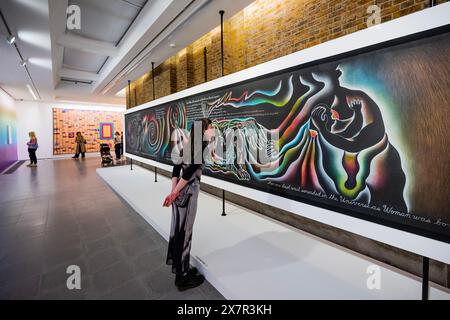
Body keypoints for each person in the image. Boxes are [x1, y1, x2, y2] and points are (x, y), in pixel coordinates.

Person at [163, 118, 214, 291]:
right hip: (188, 195)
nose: (213, 130)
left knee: (178, 231)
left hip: (179, 195)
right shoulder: (201, 146)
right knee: (185, 233)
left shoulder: (187, 145)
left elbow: (176, 170)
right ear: (204, 130)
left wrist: (173, 192)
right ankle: (182, 278)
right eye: (210, 128)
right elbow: (189, 172)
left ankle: (181, 268)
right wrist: (176, 192)